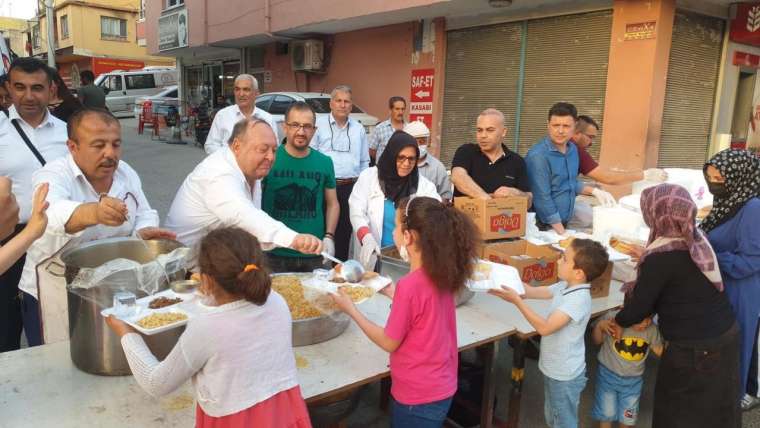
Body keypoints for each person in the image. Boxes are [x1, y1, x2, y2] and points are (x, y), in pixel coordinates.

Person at [106, 227, 311, 427]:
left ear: (205, 279)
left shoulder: (207, 327)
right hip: (284, 412)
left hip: (233, 419)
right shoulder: (276, 302)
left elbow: (157, 383)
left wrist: (127, 334)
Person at [18, 107, 175, 346]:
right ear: (73, 147)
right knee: (57, 361)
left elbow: (144, 211)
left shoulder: (126, 173)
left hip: (111, 287)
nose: (110, 154)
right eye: (98, 145)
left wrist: (143, 232)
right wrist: (93, 212)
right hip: (55, 291)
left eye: (116, 144)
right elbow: (51, 214)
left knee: (107, 353)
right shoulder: (53, 174)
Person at [332, 196, 480, 427]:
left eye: (398, 226)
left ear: (408, 237)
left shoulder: (410, 286)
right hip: (442, 385)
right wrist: (387, 288)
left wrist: (351, 310)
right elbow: (423, 310)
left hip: (417, 396)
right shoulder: (442, 273)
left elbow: (389, 342)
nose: (394, 232)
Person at [612, 183, 740, 428]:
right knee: (718, 409)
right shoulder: (696, 239)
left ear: (655, 213)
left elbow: (639, 308)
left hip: (694, 347)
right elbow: (680, 273)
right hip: (725, 335)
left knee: (677, 412)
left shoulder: (659, 258)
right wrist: (648, 258)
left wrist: (617, 320)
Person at [490, 238, 609, 428]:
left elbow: (545, 328)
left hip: (565, 375)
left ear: (578, 273)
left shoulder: (578, 300)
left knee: (562, 422)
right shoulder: (566, 286)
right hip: (555, 369)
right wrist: (505, 281)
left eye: (564, 259)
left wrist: (517, 302)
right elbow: (533, 292)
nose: (559, 261)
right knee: (552, 416)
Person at [166, 118, 323, 260]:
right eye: (263, 149)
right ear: (236, 146)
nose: (271, 157)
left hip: (218, 259)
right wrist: (293, 239)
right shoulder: (218, 173)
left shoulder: (250, 169)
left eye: (274, 150)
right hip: (185, 269)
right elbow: (243, 215)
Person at [0, 57, 69, 352]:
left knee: (54, 323)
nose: (29, 96)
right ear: (8, 88)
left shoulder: (68, 132)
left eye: (37, 88)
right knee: (5, 328)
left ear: (51, 89)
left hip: (56, 239)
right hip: (9, 240)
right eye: (20, 87)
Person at [701, 149, 760, 410]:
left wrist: (710, 254)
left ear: (738, 177)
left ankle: (732, 399)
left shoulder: (752, 208)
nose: (714, 184)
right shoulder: (729, 202)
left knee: (737, 343)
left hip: (741, 288)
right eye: (710, 178)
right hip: (722, 283)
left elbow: (751, 261)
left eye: (720, 179)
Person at [262, 101, 339, 272]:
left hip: (314, 253)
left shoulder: (325, 162)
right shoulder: (269, 159)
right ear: (285, 127)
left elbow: (333, 203)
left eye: (307, 126)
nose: (301, 131)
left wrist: (329, 236)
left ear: (314, 130)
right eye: (295, 125)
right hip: (274, 252)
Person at [349, 131, 441, 270]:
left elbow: (434, 218)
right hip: (372, 253)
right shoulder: (369, 177)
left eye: (412, 159)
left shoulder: (424, 186)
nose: (406, 163)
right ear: (391, 156)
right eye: (401, 158)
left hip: (406, 259)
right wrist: (366, 237)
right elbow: (356, 211)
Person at [526, 102, 615, 234]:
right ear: (548, 125)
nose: (560, 131)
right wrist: (562, 233)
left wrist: (594, 191)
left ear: (574, 128)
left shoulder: (573, 150)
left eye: (566, 126)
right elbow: (542, 198)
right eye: (556, 125)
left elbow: (568, 182)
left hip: (563, 221)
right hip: (543, 226)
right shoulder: (538, 156)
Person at [311, 85, 370, 261]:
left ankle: (340, 270)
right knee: (321, 230)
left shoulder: (358, 129)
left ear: (351, 106)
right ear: (331, 103)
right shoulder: (318, 125)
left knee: (344, 233)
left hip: (349, 188)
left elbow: (364, 161)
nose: (342, 105)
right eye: (338, 100)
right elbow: (312, 156)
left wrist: (363, 188)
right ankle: (316, 267)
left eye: (346, 101)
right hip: (323, 187)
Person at [591, 307, 663, 428]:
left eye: (649, 318)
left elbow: (659, 350)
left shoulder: (651, 329)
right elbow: (596, 341)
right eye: (641, 319)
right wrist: (599, 326)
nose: (645, 323)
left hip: (633, 382)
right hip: (608, 376)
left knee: (628, 417)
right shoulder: (612, 318)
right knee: (606, 413)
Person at [450, 108, 531, 201]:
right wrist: (487, 201)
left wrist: (516, 193)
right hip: (464, 214)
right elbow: (458, 177)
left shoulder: (517, 161)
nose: (483, 135)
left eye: (490, 130)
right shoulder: (466, 151)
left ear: (503, 132)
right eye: (479, 130)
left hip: (503, 215)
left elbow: (528, 200)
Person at [572, 115, 667, 185]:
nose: (591, 143)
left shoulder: (565, 146)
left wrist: (584, 188)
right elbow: (608, 178)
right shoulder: (576, 151)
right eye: (590, 137)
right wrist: (645, 175)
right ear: (576, 133)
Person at [203, 74, 277, 155]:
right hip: (228, 166)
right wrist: (228, 157)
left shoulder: (268, 119)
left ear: (256, 93)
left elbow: (274, 148)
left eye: (246, 89)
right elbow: (210, 145)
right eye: (237, 89)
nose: (241, 94)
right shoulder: (222, 115)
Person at [403, 120, 452, 201]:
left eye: (422, 141)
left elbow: (446, 198)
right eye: (414, 142)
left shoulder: (438, 168)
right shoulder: (400, 165)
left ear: (428, 142)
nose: (418, 145)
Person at [369, 96, 406, 162]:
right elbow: (372, 151)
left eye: (402, 109)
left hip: (403, 169)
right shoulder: (379, 128)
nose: (400, 112)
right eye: (397, 109)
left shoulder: (409, 128)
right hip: (383, 170)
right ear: (390, 110)